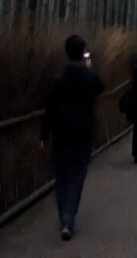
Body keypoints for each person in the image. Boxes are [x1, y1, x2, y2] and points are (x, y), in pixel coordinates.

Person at [40, 34, 104, 241]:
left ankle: (64, 219)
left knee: (62, 177)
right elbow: (101, 87)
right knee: (76, 177)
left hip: (61, 134)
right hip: (83, 134)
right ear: (82, 53)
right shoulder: (89, 76)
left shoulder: (58, 79)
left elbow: (49, 109)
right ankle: (68, 219)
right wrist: (90, 67)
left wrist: (44, 135)